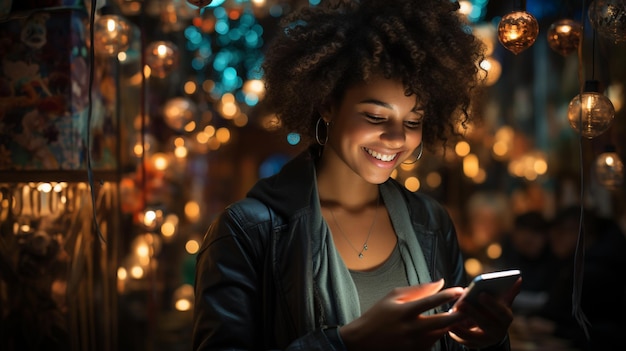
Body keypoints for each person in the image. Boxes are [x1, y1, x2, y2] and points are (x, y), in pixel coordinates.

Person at [192, 0, 520, 350]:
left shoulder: (430, 221)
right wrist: (349, 343)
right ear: (327, 104)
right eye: (376, 117)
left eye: (412, 122)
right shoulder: (248, 231)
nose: (396, 139)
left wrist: (487, 341)